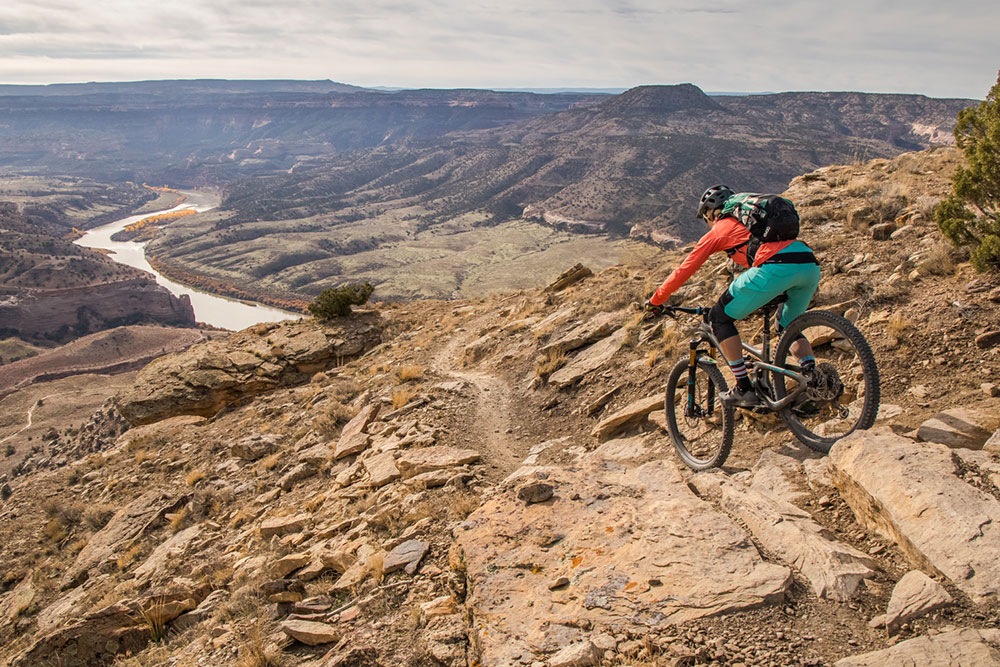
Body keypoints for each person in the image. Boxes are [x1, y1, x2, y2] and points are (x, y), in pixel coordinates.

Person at [644, 185, 821, 407]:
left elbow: (684, 270)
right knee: (787, 325)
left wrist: (656, 300)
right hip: (808, 264)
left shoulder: (721, 228)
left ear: (711, 214)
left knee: (719, 318)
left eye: (706, 219)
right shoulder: (752, 221)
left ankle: (744, 388)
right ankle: (814, 376)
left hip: (775, 267)